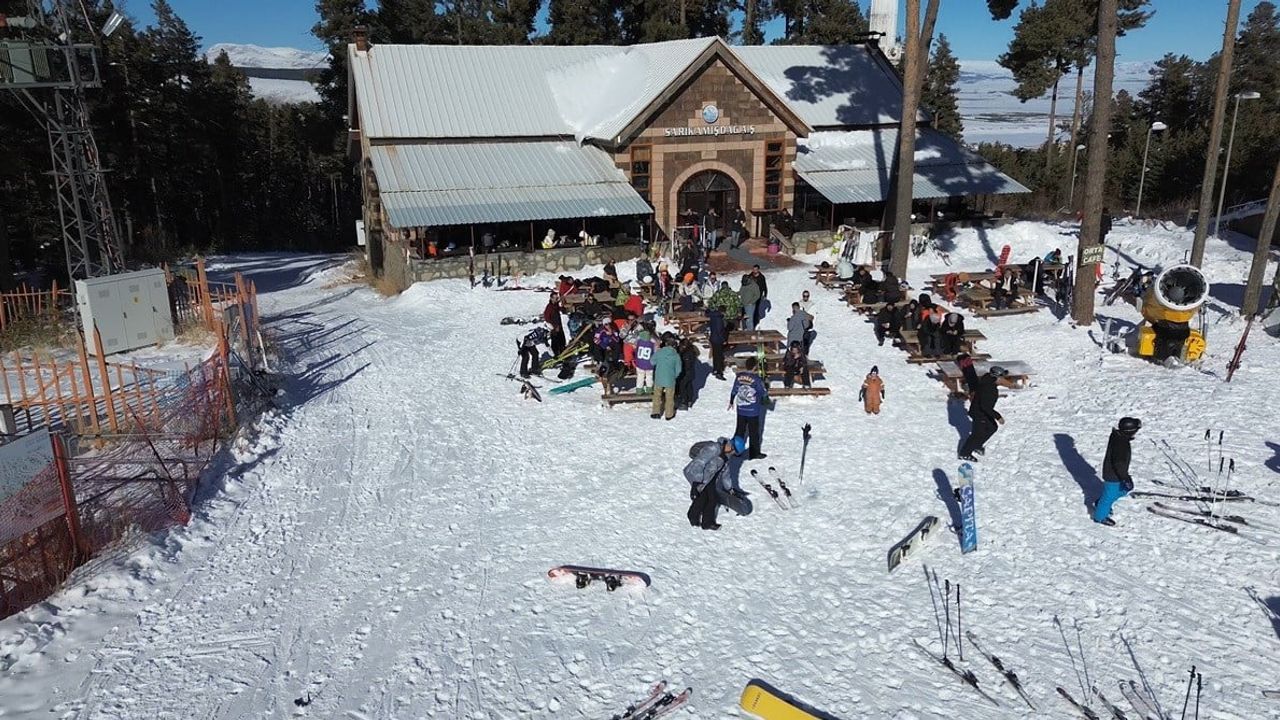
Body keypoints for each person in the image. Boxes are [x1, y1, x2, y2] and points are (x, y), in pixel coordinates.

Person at [684, 437, 752, 530]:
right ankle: (692, 517)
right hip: (697, 474)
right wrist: (697, 481)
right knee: (702, 497)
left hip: (710, 478)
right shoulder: (714, 448)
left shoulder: (727, 456)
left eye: (734, 451)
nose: (731, 451)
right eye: (732, 447)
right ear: (729, 443)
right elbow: (699, 462)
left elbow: (726, 474)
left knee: (713, 499)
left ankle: (707, 523)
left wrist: (730, 488)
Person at [1093, 417, 1140, 526]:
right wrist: (1125, 477)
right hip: (1113, 475)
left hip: (1116, 473)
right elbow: (1119, 463)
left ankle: (1101, 504)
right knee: (1110, 496)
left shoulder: (1118, 436)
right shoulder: (1121, 443)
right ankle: (1100, 517)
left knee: (1119, 491)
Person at [959, 366, 1007, 461]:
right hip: (979, 412)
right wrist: (998, 417)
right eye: (1002, 377)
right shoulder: (989, 388)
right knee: (977, 434)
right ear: (996, 377)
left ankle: (977, 445)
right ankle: (964, 453)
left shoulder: (987, 380)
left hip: (982, 411)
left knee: (992, 427)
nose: (1003, 379)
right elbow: (985, 406)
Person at [729, 357, 768, 459]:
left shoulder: (739, 376)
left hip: (741, 409)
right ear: (755, 367)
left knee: (739, 430)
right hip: (752, 410)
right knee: (753, 432)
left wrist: (731, 400)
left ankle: (736, 450)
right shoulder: (756, 379)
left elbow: (735, 389)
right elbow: (762, 393)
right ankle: (754, 453)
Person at [651, 337, 681, 420]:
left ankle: (656, 412)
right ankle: (669, 414)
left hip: (659, 377)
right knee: (670, 397)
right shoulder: (676, 355)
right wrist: (674, 376)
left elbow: (652, 361)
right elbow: (679, 369)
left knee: (657, 395)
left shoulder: (659, 352)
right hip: (670, 378)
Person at [676, 337, 699, 410]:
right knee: (689, 386)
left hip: (686, 373)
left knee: (682, 386)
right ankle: (690, 400)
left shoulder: (687, 354)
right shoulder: (691, 351)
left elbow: (687, 365)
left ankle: (684, 402)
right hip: (690, 373)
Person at [707, 307, 728, 381]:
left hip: (713, 337)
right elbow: (720, 331)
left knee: (715, 355)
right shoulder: (719, 319)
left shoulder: (713, 316)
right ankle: (719, 372)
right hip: (718, 339)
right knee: (719, 356)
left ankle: (715, 369)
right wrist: (724, 339)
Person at [633, 330, 656, 395]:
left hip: (640, 363)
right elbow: (655, 352)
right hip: (649, 364)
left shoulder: (639, 342)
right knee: (649, 377)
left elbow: (635, 349)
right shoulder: (652, 343)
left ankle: (639, 390)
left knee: (640, 377)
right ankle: (649, 389)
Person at [543, 292, 566, 356]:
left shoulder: (556, 305)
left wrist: (562, 307)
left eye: (557, 298)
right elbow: (547, 318)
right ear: (551, 298)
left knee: (562, 341)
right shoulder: (549, 307)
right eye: (555, 298)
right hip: (554, 328)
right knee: (555, 342)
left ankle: (563, 354)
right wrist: (555, 327)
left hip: (559, 326)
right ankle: (556, 355)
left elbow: (562, 310)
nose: (556, 299)